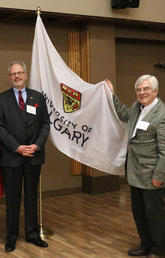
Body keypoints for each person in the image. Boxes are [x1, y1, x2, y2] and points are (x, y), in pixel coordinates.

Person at [106, 75, 165, 258]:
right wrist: (112, 95)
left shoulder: (162, 114)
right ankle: (145, 245)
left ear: (155, 91)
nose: (141, 93)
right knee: (139, 214)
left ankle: (158, 249)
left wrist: (159, 175)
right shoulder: (137, 108)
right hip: (134, 173)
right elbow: (124, 113)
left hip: (151, 175)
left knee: (154, 216)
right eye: (139, 89)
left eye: (146, 89)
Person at [0, 61, 50, 252]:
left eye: (20, 72)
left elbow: (45, 124)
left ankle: (32, 234)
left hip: (33, 156)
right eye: (13, 74)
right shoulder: (2, 99)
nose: (17, 76)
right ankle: (11, 236)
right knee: (12, 199)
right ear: (9, 77)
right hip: (11, 157)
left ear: (26, 75)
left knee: (31, 197)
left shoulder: (37, 97)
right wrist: (17, 147)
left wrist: (36, 145)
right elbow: (0, 128)